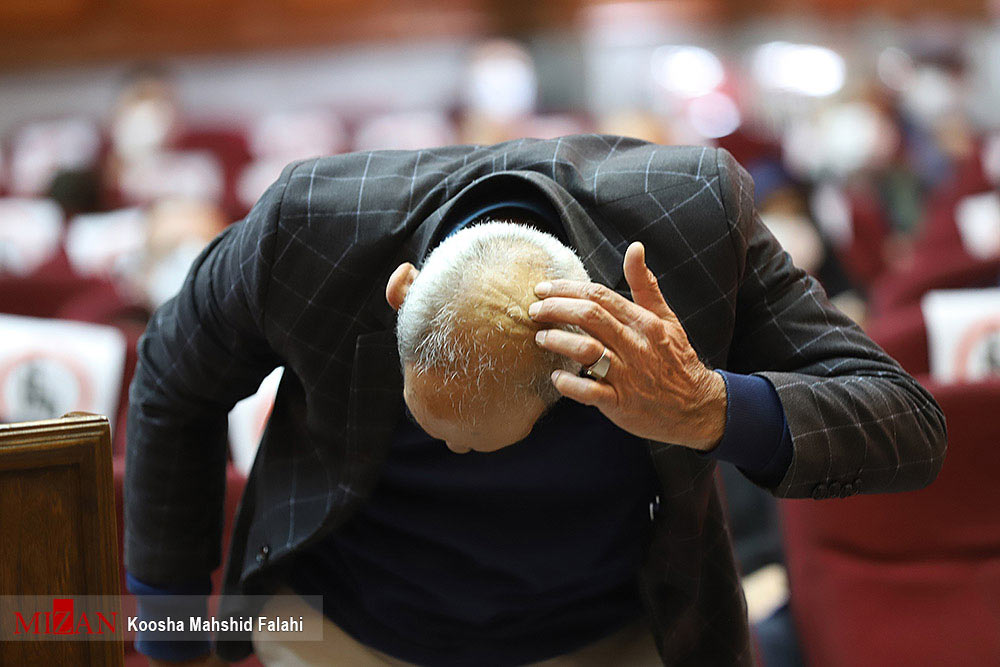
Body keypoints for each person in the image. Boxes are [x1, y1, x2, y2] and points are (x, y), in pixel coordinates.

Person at [125, 136, 947, 666]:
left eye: (480, 441)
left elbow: (909, 424)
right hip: (346, 625)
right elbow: (169, 377)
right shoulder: (304, 230)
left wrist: (708, 404)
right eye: (429, 419)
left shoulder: (695, 220)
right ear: (401, 294)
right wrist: (170, 636)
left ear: (572, 374)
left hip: (611, 628)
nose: (453, 455)